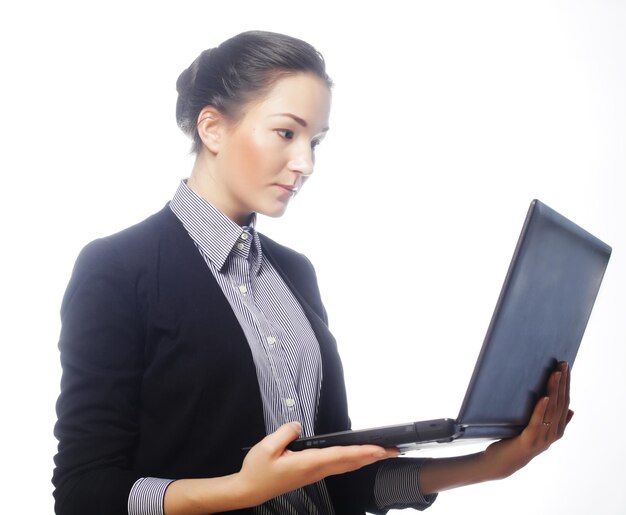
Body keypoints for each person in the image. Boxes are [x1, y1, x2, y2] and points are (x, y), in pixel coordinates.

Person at [52, 31, 573, 515]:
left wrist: (493, 464)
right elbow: (84, 492)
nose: (305, 162)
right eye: (286, 132)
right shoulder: (118, 270)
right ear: (212, 127)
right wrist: (242, 490)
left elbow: (340, 480)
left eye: (315, 141)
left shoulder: (294, 275)